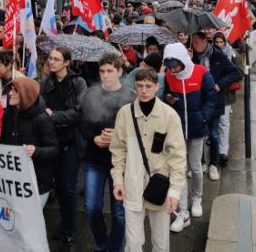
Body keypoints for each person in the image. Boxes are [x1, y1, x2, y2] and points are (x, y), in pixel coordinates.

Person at [110, 68, 186, 252]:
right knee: (133, 243)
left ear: (157, 86)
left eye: (148, 86)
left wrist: (175, 192)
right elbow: (118, 150)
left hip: (159, 187)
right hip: (132, 185)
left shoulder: (169, 116)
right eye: (140, 86)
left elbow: (178, 157)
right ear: (135, 86)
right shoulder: (125, 113)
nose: (144, 90)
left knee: (160, 244)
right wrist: (117, 181)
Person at [78, 54, 136, 252]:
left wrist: (118, 138)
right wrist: (93, 138)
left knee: (119, 212)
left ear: (119, 72)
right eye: (102, 71)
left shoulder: (131, 97)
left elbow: (139, 130)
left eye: (110, 71)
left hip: (121, 163)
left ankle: (116, 246)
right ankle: (101, 244)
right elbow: (82, 122)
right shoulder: (89, 94)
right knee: (92, 207)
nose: (105, 75)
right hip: (94, 159)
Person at [163, 42, 216, 232]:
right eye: (169, 66)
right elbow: (165, 94)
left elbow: (211, 98)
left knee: (195, 166)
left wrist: (204, 118)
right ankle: (182, 211)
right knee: (179, 168)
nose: (173, 69)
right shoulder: (170, 75)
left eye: (175, 65)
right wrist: (168, 98)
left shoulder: (201, 72)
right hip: (177, 129)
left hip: (197, 126)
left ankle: (197, 198)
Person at [39, 47, 88, 251]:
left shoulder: (78, 83)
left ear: (67, 62)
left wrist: (55, 116)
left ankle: (70, 235)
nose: (51, 62)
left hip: (71, 141)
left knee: (67, 187)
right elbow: (39, 107)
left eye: (56, 59)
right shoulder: (45, 83)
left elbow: (79, 111)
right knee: (57, 187)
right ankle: (64, 222)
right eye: (50, 58)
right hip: (52, 142)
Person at [0, 77, 59, 208]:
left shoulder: (42, 119)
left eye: (15, 91)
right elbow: (3, 141)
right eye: (10, 90)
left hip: (38, 182)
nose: (10, 93)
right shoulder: (9, 115)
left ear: (26, 94)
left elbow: (54, 149)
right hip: (15, 181)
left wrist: (36, 151)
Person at [190, 31, 242, 180]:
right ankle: (201, 162)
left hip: (214, 100)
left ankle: (214, 164)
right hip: (198, 100)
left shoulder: (218, 55)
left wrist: (220, 84)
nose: (194, 45)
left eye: (197, 42)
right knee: (199, 133)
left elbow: (236, 73)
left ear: (205, 41)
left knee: (213, 133)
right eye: (193, 42)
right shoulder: (192, 57)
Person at [212, 31, 244, 166]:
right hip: (212, 94)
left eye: (221, 42)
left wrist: (224, 82)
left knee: (224, 123)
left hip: (226, 93)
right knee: (214, 123)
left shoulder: (232, 54)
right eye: (217, 42)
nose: (219, 45)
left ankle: (223, 151)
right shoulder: (210, 55)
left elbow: (240, 72)